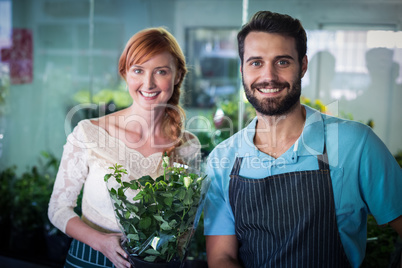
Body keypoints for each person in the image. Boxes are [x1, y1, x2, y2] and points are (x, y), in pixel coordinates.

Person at [203, 10, 402, 268]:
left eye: (282, 62)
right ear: (242, 69)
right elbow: (222, 257)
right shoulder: (223, 158)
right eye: (256, 62)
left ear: (303, 66)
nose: (269, 76)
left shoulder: (356, 143)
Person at [48, 27, 201, 268]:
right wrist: (100, 241)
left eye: (160, 71)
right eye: (138, 70)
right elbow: (58, 209)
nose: (148, 83)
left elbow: (185, 224)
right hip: (90, 260)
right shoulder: (89, 132)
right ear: (125, 74)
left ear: (178, 75)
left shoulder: (188, 144)